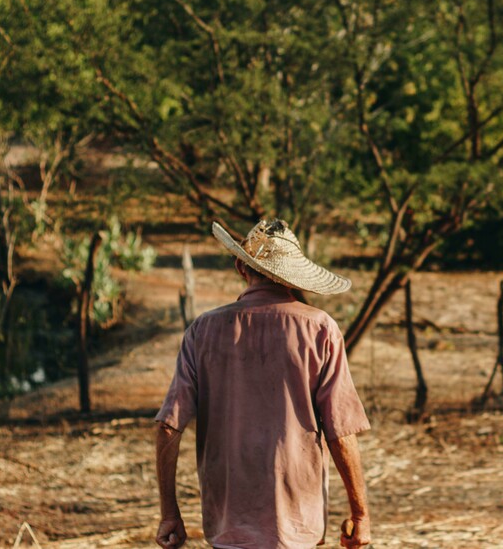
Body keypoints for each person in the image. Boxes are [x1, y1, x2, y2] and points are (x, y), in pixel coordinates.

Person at [154, 219, 372, 548]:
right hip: (298, 528)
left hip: (228, 527)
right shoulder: (320, 329)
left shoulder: (203, 331)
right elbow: (340, 431)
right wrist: (360, 514)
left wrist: (170, 514)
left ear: (241, 266)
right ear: (291, 275)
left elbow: (169, 427)